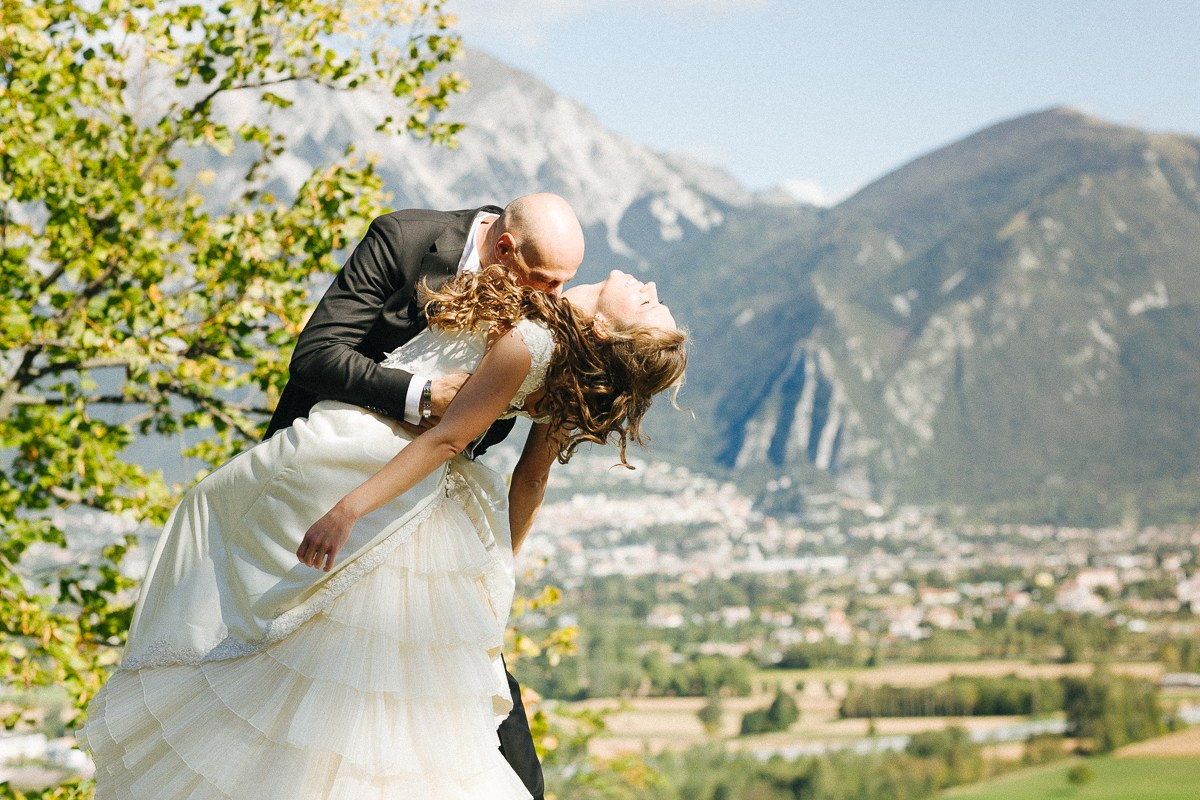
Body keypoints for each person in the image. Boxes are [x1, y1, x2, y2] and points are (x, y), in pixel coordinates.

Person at [79, 265, 686, 799]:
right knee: (380, 695)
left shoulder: (532, 342)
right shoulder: (567, 359)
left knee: (317, 663)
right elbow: (531, 482)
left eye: (650, 307)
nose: (651, 287)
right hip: (445, 506)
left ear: (607, 332)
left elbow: (447, 438)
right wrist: (499, 565)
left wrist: (349, 509)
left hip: (388, 473)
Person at [265, 192, 586, 798]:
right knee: (307, 688)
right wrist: (422, 398)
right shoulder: (405, 239)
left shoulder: (550, 311)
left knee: (464, 676)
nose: (553, 297)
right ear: (505, 249)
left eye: (564, 283)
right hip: (325, 486)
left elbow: (509, 451)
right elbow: (313, 357)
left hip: (430, 507)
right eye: (543, 281)